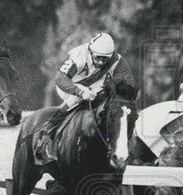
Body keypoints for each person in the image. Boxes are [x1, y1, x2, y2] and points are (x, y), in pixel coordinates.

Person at [34, 31, 132, 164]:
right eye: (98, 57)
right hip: (70, 84)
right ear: (90, 51)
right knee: (80, 97)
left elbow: (128, 83)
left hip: (95, 85)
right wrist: (80, 92)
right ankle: (47, 129)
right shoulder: (78, 56)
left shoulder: (117, 60)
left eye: (105, 59)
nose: (101, 62)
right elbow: (60, 79)